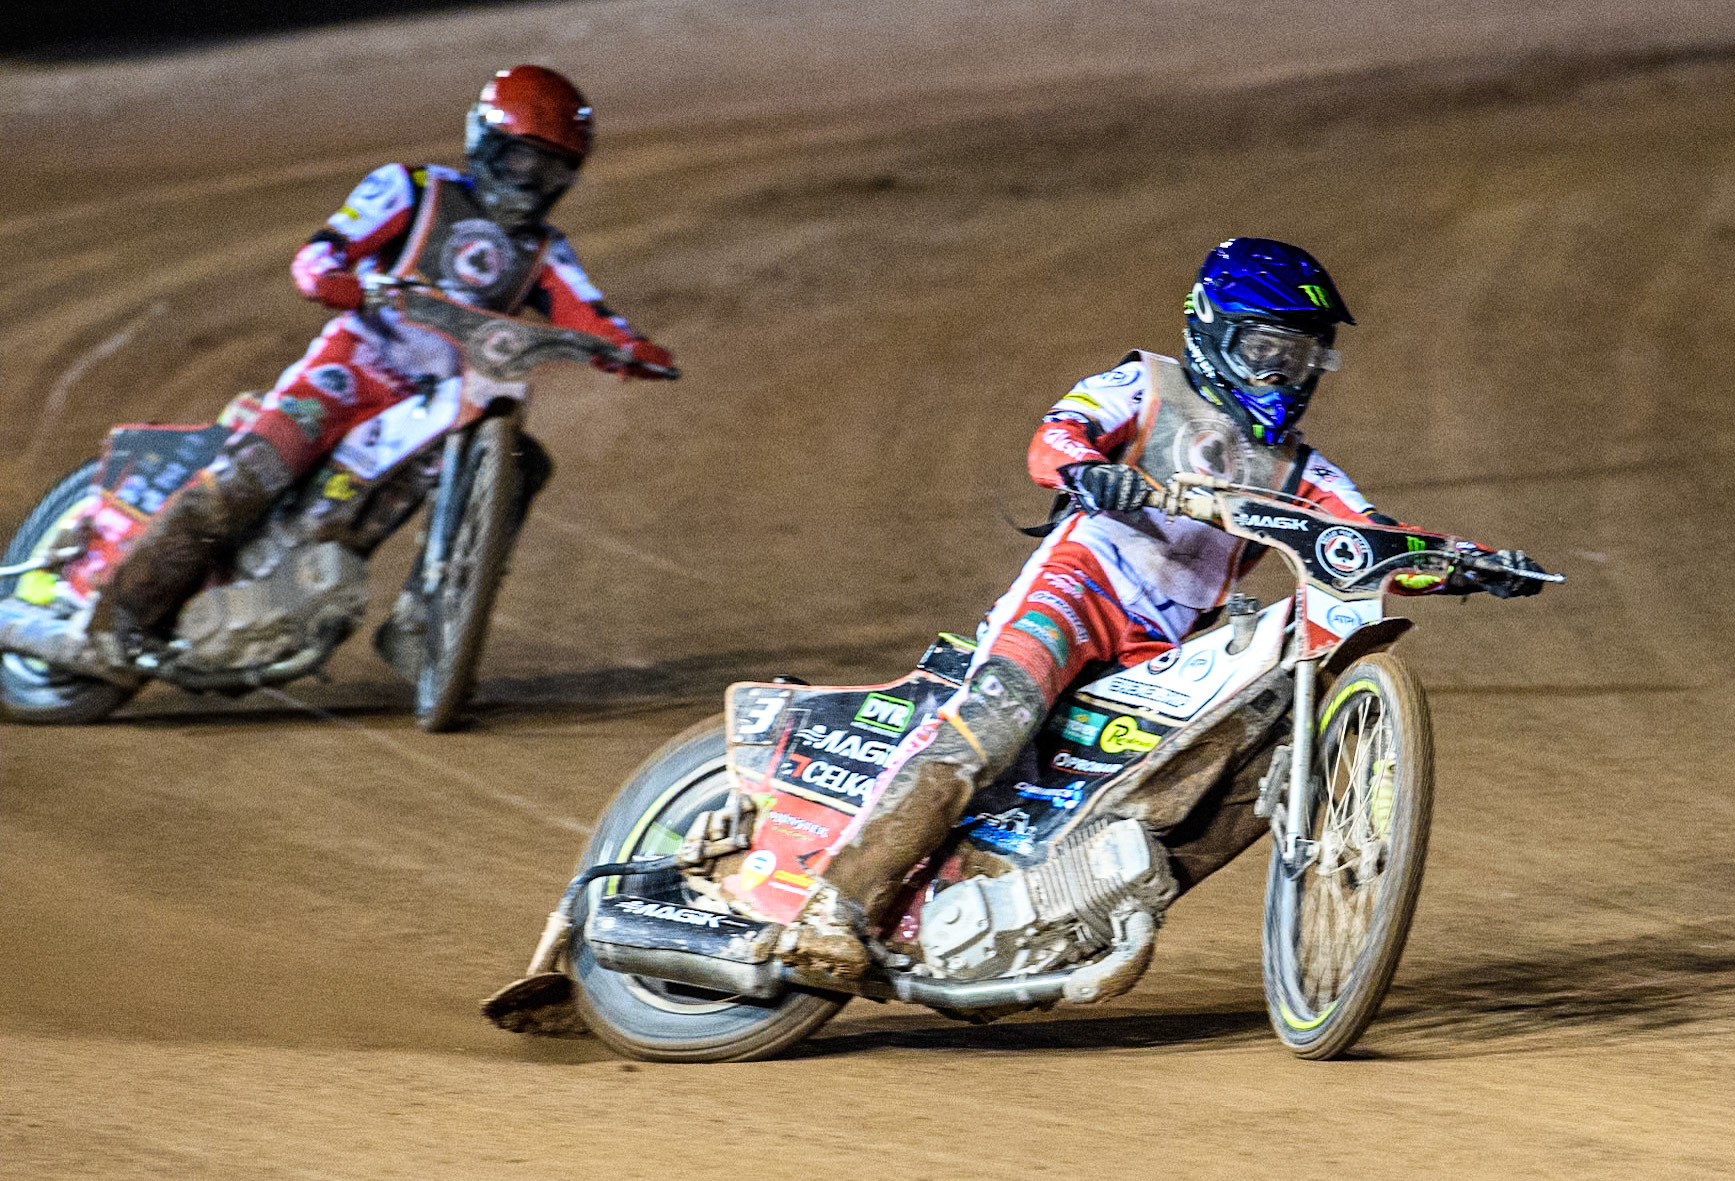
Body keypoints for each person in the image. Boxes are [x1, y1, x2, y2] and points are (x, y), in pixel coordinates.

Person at [778, 236, 1545, 975]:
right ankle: (833, 905)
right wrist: (1086, 471)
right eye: (1265, 351)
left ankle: (1051, 908)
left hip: (1162, 648)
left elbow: (1370, 539)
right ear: (1212, 331)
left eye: (1301, 357)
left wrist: (1464, 563)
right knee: (990, 726)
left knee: (1197, 781)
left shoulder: (1300, 469)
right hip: (1075, 592)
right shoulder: (1146, 386)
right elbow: (1057, 434)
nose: (1283, 374)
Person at [86, 64, 675, 670]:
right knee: (250, 475)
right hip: (350, 370)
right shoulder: (412, 189)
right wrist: (329, 279)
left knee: (523, 463)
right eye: (520, 159)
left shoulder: (545, 251)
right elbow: (325, 248)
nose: (530, 181)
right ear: (485, 143)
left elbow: (590, 313)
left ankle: (421, 625)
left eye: (548, 169)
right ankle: (118, 619)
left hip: (437, 400)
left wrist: (631, 351)